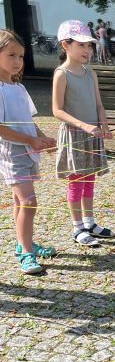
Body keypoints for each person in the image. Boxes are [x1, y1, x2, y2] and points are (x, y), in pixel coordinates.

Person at [53, 20, 114, 247]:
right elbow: (57, 110)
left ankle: (89, 222)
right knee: (76, 182)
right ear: (65, 45)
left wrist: (104, 125)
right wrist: (84, 126)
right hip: (74, 136)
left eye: (89, 45)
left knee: (89, 180)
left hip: (92, 135)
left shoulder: (91, 74)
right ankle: (77, 227)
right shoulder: (62, 74)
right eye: (81, 45)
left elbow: (98, 104)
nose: (87, 50)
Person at [0, 29, 56, 274]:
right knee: (29, 201)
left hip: (28, 150)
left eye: (21, 56)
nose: (17, 61)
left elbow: (27, 120)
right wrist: (29, 140)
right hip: (12, 153)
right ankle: (25, 252)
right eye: (11, 55)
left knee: (20, 201)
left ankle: (24, 242)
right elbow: (1, 129)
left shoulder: (19, 88)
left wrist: (41, 138)